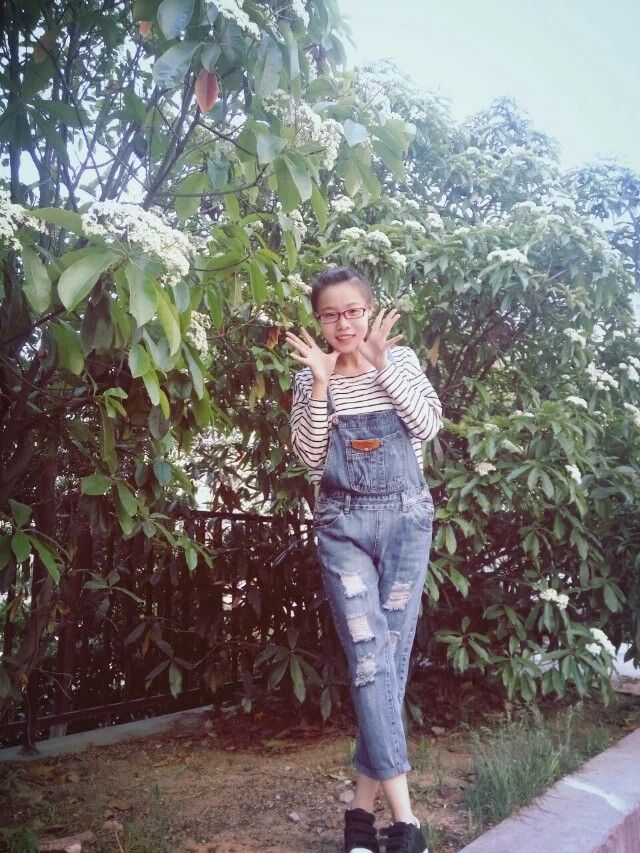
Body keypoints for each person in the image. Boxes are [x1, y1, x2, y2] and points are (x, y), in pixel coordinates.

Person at [286, 267, 443, 853]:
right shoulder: (312, 376)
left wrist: (381, 364)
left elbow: (428, 425)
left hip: (406, 523)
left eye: (353, 311)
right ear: (318, 321)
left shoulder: (399, 362)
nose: (343, 323)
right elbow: (310, 459)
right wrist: (320, 385)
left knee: (388, 663)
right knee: (370, 658)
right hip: (342, 526)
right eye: (330, 314)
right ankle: (406, 824)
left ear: (369, 311)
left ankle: (359, 815)